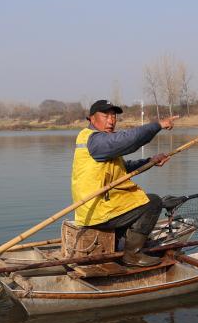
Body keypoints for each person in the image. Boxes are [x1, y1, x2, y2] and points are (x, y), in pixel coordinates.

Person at [71, 100, 177, 267]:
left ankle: (122, 244)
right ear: (91, 118)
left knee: (134, 212)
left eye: (114, 116)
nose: (111, 120)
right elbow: (130, 140)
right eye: (105, 115)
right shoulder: (96, 141)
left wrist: (149, 161)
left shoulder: (102, 143)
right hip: (99, 210)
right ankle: (132, 255)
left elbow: (122, 168)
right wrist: (158, 125)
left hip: (102, 207)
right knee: (153, 203)